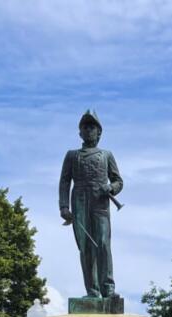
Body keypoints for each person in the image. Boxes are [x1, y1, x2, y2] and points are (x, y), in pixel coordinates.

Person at [59, 110, 123, 298]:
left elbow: (119, 180)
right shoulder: (71, 155)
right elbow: (64, 181)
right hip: (79, 200)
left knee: (103, 243)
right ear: (80, 133)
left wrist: (111, 188)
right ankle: (93, 291)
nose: (88, 131)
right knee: (86, 246)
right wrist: (64, 206)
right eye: (85, 128)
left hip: (100, 201)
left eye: (92, 127)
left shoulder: (107, 155)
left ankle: (108, 289)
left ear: (99, 133)